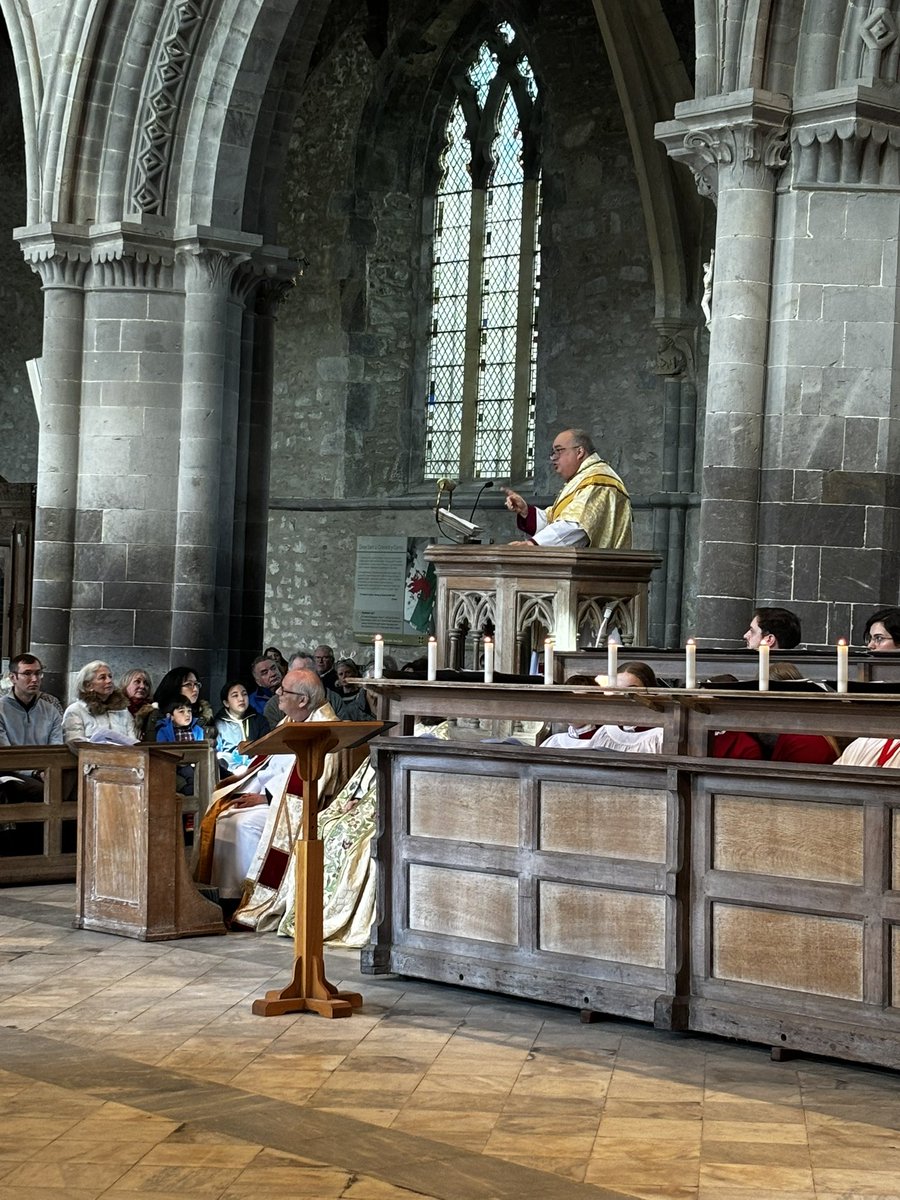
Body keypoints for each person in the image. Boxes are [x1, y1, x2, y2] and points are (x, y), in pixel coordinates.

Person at [196, 668, 339, 928]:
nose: (278, 694)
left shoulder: (323, 729)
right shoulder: (290, 722)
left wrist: (264, 799)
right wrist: (247, 791)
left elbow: (317, 782)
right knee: (223, 813)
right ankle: (224, 896)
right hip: (268, 796)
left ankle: (248, 898)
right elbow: (268, 766)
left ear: (303, 700)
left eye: (284, 691)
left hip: (292, 806)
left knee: (242, 823)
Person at [503, 428, 631, 548]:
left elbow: (576, 526)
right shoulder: (581, 479)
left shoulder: (597, 480)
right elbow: (555, 521)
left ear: (579, 452)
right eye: (552, 453)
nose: (553, 458)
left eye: (559, 451)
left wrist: (533, 544)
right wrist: (526, 511)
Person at [540, 662, 663, 752]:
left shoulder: (659, 735)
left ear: (650, 692)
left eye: (632, 690)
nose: (624, 697)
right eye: (618, 691)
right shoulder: (606, 733)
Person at [0, 654, 64, 806]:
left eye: (38, 673)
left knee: (76, 790)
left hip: (46, 770)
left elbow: (56, 749)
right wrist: (34, 772)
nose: (35, 679)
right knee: (42, 791)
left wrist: (48, 771)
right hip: (10, 771)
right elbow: (6, 754)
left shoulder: (50, 710)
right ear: (13, 677)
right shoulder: (1, 709)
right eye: (27, 674)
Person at [62, 662, 137, 745]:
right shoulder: (76, 710)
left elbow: (133, 741)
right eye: (102, 678)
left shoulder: (122, 710)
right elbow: (75, 742)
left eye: (110, 676)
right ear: (88, 685)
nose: (109, 681)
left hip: (125, 756)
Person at [142, 666, 215, 742]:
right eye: (189, 684)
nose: (195, 689)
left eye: (196, 684)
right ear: (175, 687)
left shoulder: (204, 714)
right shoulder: (157, 715)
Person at [213, 681, 269, 774]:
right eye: (235, 696)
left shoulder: (259, 720)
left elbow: (266, 748)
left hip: (257, 771)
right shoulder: (219, 724)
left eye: (244, 694)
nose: (241, 699)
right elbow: (217, 755)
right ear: (226, 703)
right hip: (228, 774)